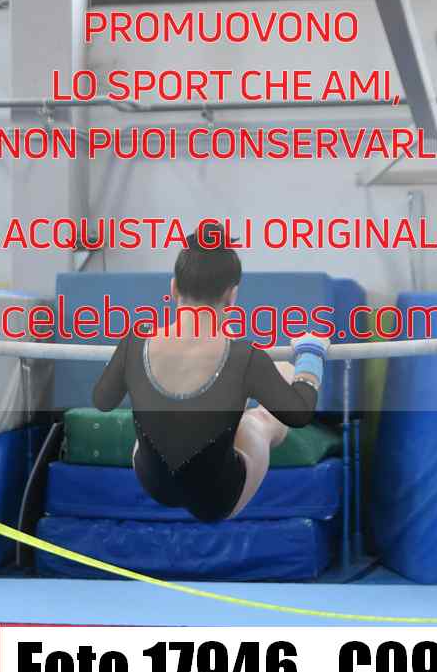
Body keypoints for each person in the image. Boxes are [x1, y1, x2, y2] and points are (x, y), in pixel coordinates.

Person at [93, 223, 330, 523]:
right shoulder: (244, 356)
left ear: (173, 288)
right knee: (257, 420)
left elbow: (103, 401)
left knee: (162, 412)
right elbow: (299, 413)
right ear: (232, 297)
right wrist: (311, 356)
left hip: (154, 482)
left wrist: (124, 366)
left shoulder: (133, 343)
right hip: (217, 497)